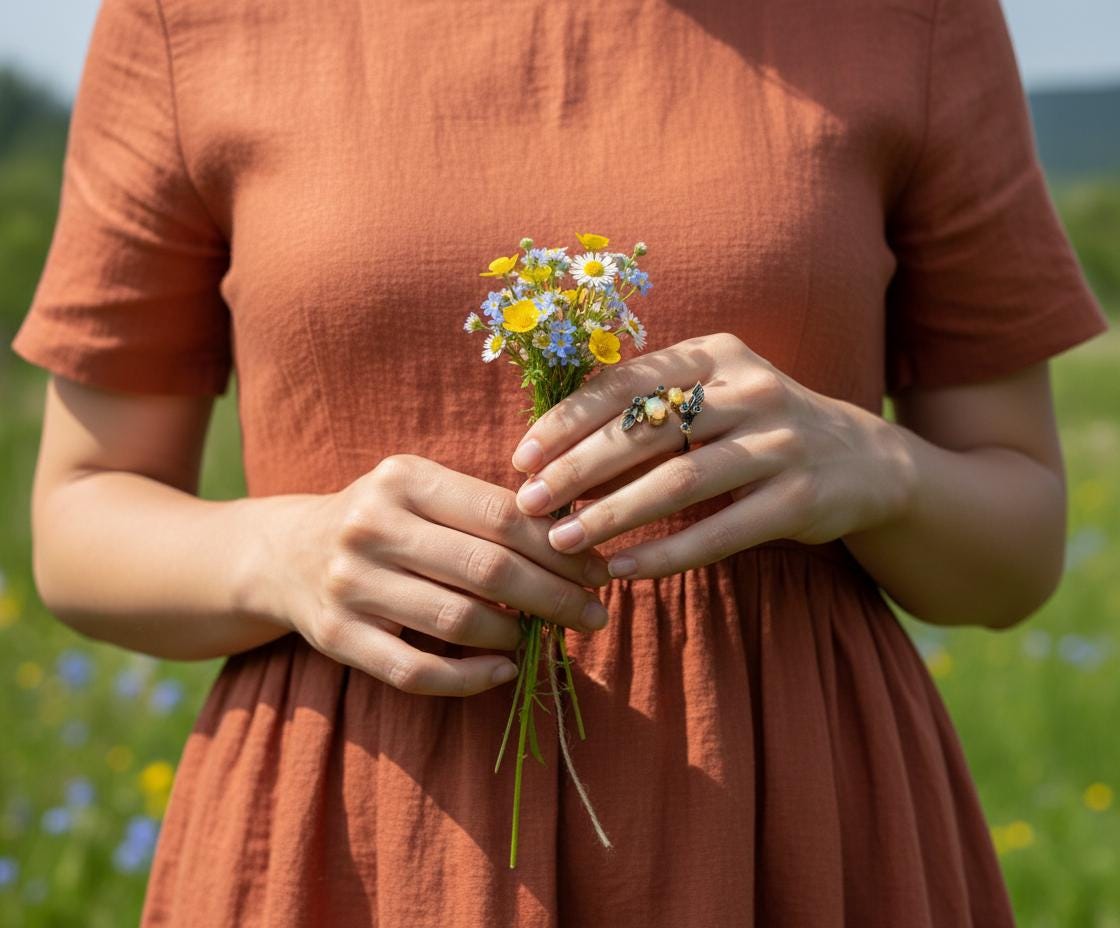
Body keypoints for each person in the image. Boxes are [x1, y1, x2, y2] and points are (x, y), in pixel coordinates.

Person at [9, 0, 1110, 923]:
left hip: (790, 826)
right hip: (358, 839)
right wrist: (280, 551)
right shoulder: (187, 19)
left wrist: (875, 464)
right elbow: (78, 517)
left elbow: (1015, 549)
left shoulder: (914, 19)